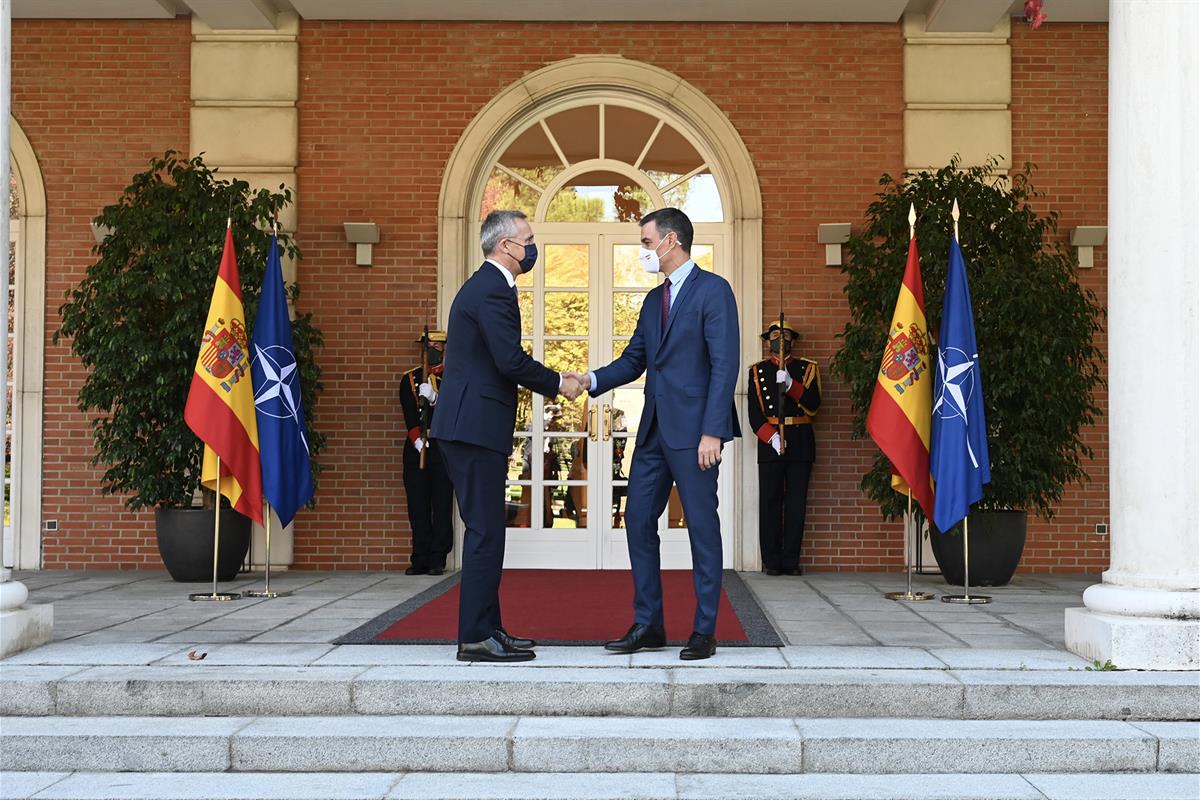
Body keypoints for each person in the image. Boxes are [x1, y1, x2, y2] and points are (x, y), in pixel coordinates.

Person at [568, 207, 740, 661]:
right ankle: (649, 624)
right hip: (653, 436)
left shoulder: (714, 291)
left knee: (703, 527)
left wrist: (712, 432)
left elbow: (725, 366)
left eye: (646, 242)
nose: (642, 250)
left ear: (671, 241)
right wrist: (590, 380)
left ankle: (704, 630)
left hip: (695, 435)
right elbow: (633, 360)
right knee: (637, 519)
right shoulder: (651, 301)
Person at [431, 209, 584, 663]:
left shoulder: (488, 286)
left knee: (488, 530)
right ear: (505, 247)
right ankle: (476, 637)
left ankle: (489, 628)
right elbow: (509, 361)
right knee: (484, 532)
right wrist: (561, 383)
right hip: (472, 428)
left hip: (471, 427)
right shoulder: (493, 290)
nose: (532, 247)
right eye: (528, 240)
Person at [747, 322, 822, 576]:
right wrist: (772, 438)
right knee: (769, 502)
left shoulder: (807, 369)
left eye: (786, 335)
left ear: (793, 340)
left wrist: (791, 385)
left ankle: (791, 561)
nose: (781, 339)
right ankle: (772, 561)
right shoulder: (757, 372)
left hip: (800, 440)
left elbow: (814, 405)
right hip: (771, 443)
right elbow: (754, 414)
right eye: (776, 335)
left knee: (795, 504)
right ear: (768, 341)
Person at [397, 329, 454, 576]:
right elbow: (408, 412)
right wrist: (416, 439)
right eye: (428, 345)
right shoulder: (409, 379)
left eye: (437, 346)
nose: (432, 349)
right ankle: (419, 556)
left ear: (443, 349)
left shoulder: (453, 379)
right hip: (417, 447)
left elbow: (453, 412)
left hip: (441, 447)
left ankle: (437, 558)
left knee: (440, 504)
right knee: (417, 505)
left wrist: (435, 399)